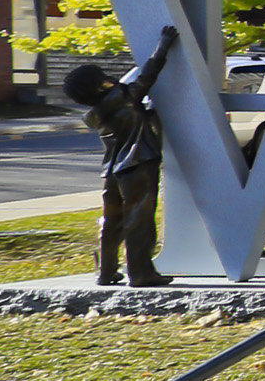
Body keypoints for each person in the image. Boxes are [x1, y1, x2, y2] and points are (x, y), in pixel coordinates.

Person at [62, 25, 180, 287]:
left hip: (112, 170)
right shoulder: (123, 97)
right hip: (138, 163)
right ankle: (141, 273)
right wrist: (163, 46)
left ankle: (106, 272)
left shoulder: (94, 115)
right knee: (139, 219)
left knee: (111, 220)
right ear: (100, 84)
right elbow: (148, 75)